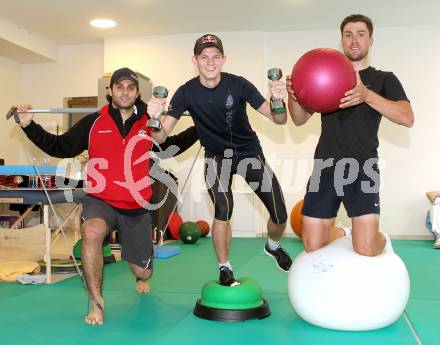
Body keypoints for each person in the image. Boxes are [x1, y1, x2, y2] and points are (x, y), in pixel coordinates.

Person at [15, 67, 198, 325]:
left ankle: (139, 273)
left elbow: (171, 146)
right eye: (119, 87)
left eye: (130, 87)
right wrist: (28, 125)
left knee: (143, 271)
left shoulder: (150, 122)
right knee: (91, 232)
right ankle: (96, 301)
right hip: (100, 199)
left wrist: (202, 126)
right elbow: (59, 146)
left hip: (136, 205)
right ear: (109, 91)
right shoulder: (93, 122)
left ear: (136, 93)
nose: (125, 91)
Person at [147, 34, 292, 287]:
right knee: (223, 210)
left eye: (215, 56)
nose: (210, 62)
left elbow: (279, 120)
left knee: (280, 214)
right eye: (204, 57)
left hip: (249, 153)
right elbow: (161, 136)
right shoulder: (186, 92)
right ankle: (225, 267)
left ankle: (273, 246)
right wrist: (155, 118)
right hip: (216, 158)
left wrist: (279, 100)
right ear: (195, 60)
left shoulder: (238, 85)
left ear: (224, 59)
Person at [287, 14, 414, 256]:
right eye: (348, 34)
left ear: (371, 40)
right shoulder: (326, 75)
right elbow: (299, 119)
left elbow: (407, 117)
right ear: (341, 41)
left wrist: (367, 95)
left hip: (363, 166)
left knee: (365, 247)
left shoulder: (383, 78)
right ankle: (345, 232)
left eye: (360, 34)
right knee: (312, 244)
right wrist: (295, 97)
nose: (354, 39)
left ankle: (379, 238)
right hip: (325, 165)